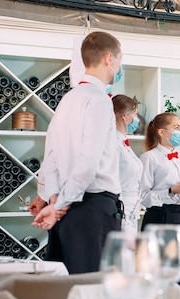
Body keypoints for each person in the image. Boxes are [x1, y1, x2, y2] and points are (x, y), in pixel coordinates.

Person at [32, 31, 124, 274]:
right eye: (119, 59)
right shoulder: (100, 100)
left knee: (68, 292)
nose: (119, 66)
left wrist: (54, 199)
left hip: (66, 213)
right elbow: (88, 162)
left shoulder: (67, 99)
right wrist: (59, 202)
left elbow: (49, 157)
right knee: (95, 292)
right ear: (108, 59)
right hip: (93, 211)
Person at [139, 112, 180, 289]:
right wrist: (170, 191)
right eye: (177, 128)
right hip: (159, 217)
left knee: (178, 269)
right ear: (162, 132)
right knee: (158, 270)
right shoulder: (149, 158)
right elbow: (143, 196)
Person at [112, 94, 144, 235]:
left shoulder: (124, 144)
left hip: (132, 211)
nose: (137, 119)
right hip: (120, 209)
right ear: (125, 117)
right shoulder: (114, 144)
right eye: (135, 114)